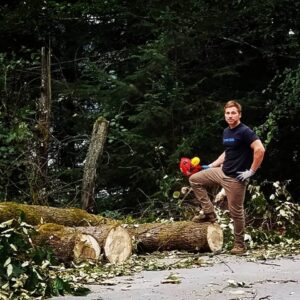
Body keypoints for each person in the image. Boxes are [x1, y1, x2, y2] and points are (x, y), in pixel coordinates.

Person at [189, 100, 265, 255]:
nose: (230, 116)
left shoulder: (245, 131)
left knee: (236, 212)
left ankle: (239, 245)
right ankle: (209, 213)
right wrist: (212, 165)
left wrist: (251, 171)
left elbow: (260, 149)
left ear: (239, 114)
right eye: (227, 113)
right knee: (194, 179)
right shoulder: (226, 132)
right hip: (222, 171)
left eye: (233, 113)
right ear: (225, 115)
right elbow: (228, 152)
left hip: (235, 178)